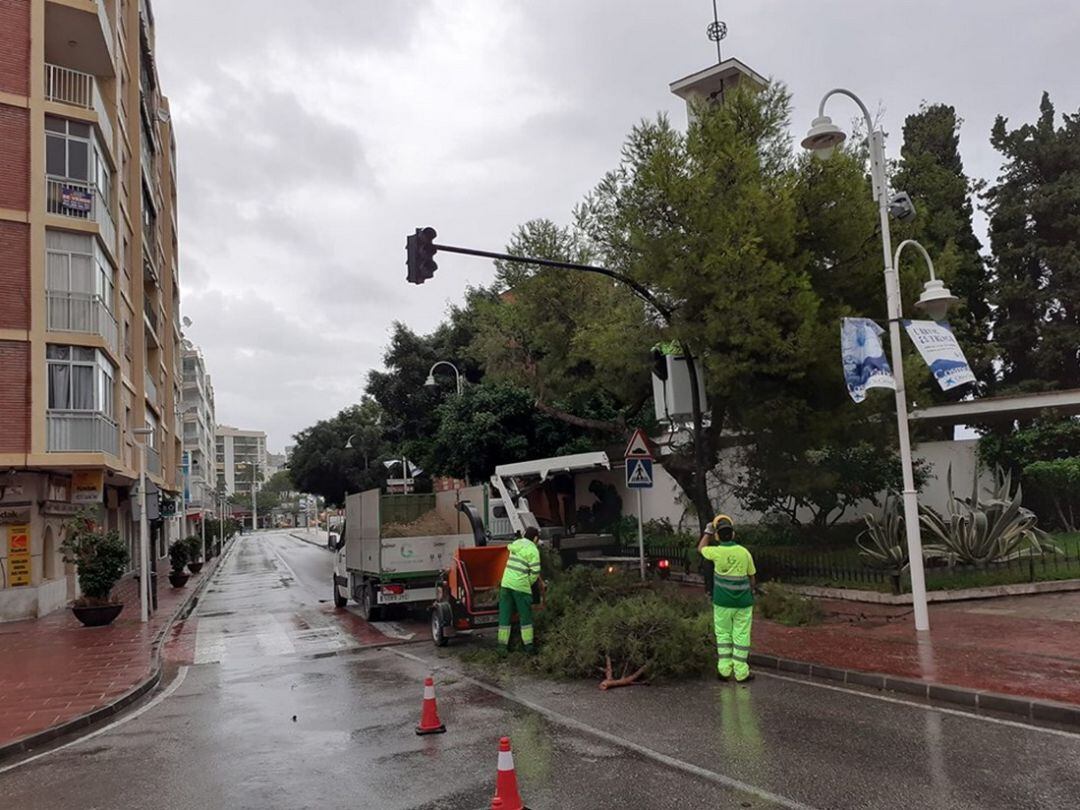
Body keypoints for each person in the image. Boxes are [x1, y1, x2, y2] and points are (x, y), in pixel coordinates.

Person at [698, 514, 756, 682]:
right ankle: (741, 673)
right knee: (741, 636)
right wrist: (750, 592)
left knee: (723, 635)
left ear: (717, 536)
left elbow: (700, 548)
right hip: (743, 603)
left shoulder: (716, 552)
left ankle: (724, 671)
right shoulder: (744, 552)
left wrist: (708, 532)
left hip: (722, 603)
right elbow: (752, 577)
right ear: (733, 534)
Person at [497, 526, 544, 654]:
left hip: (506, 585)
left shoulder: (516, 544)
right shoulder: (533, 550)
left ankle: (502, 649)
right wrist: (527, 584)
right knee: (525, 618)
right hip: (520, 587)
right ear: (535, 538)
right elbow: (535, 572)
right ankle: (529, 648)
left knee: (505, 617)